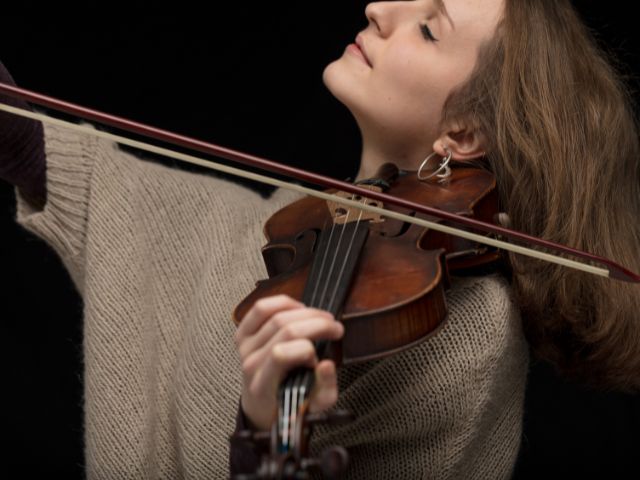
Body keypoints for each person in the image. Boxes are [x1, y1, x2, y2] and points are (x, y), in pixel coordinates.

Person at [1, 1, 639, 478]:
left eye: (427, 26)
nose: (379, 9)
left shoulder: (467, 329)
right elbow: (156, 217)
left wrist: (262, 430)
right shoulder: (303, 223)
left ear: (464, 133)